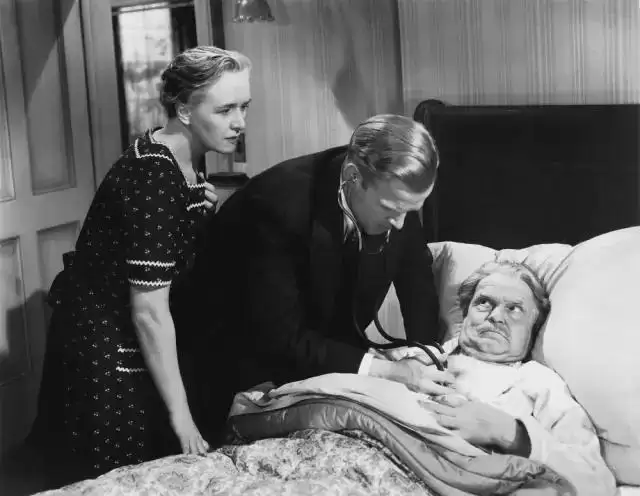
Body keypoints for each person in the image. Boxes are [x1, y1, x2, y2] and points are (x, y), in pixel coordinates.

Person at [30, 45, 252, 479]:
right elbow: (149, 312)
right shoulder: (153, 174)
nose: (240, 122)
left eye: (244, 107)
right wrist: (181, 416)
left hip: (132, 341)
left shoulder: (182, 159)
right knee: (120, 478)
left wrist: (196, 209)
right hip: (108, 351)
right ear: (184, 110)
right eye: (225, 109)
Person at [187, 114, 456, 441]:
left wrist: (423, 353)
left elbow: (416, 276)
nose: (401, 224)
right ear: (353, 177)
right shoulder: (277, 205)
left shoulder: (396, 191)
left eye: (410, 210)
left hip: (321, 352)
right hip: (238, 362)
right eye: (390, 210)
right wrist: (386, 370)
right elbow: (280, 337)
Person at [383, 260, 616, 494]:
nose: (496, 316)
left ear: (532, 329)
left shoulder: (540, 384)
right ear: (466, 313)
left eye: (514, 309)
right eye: (484, 302)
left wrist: (511, 433)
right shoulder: (410, 359)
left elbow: (596, 484)